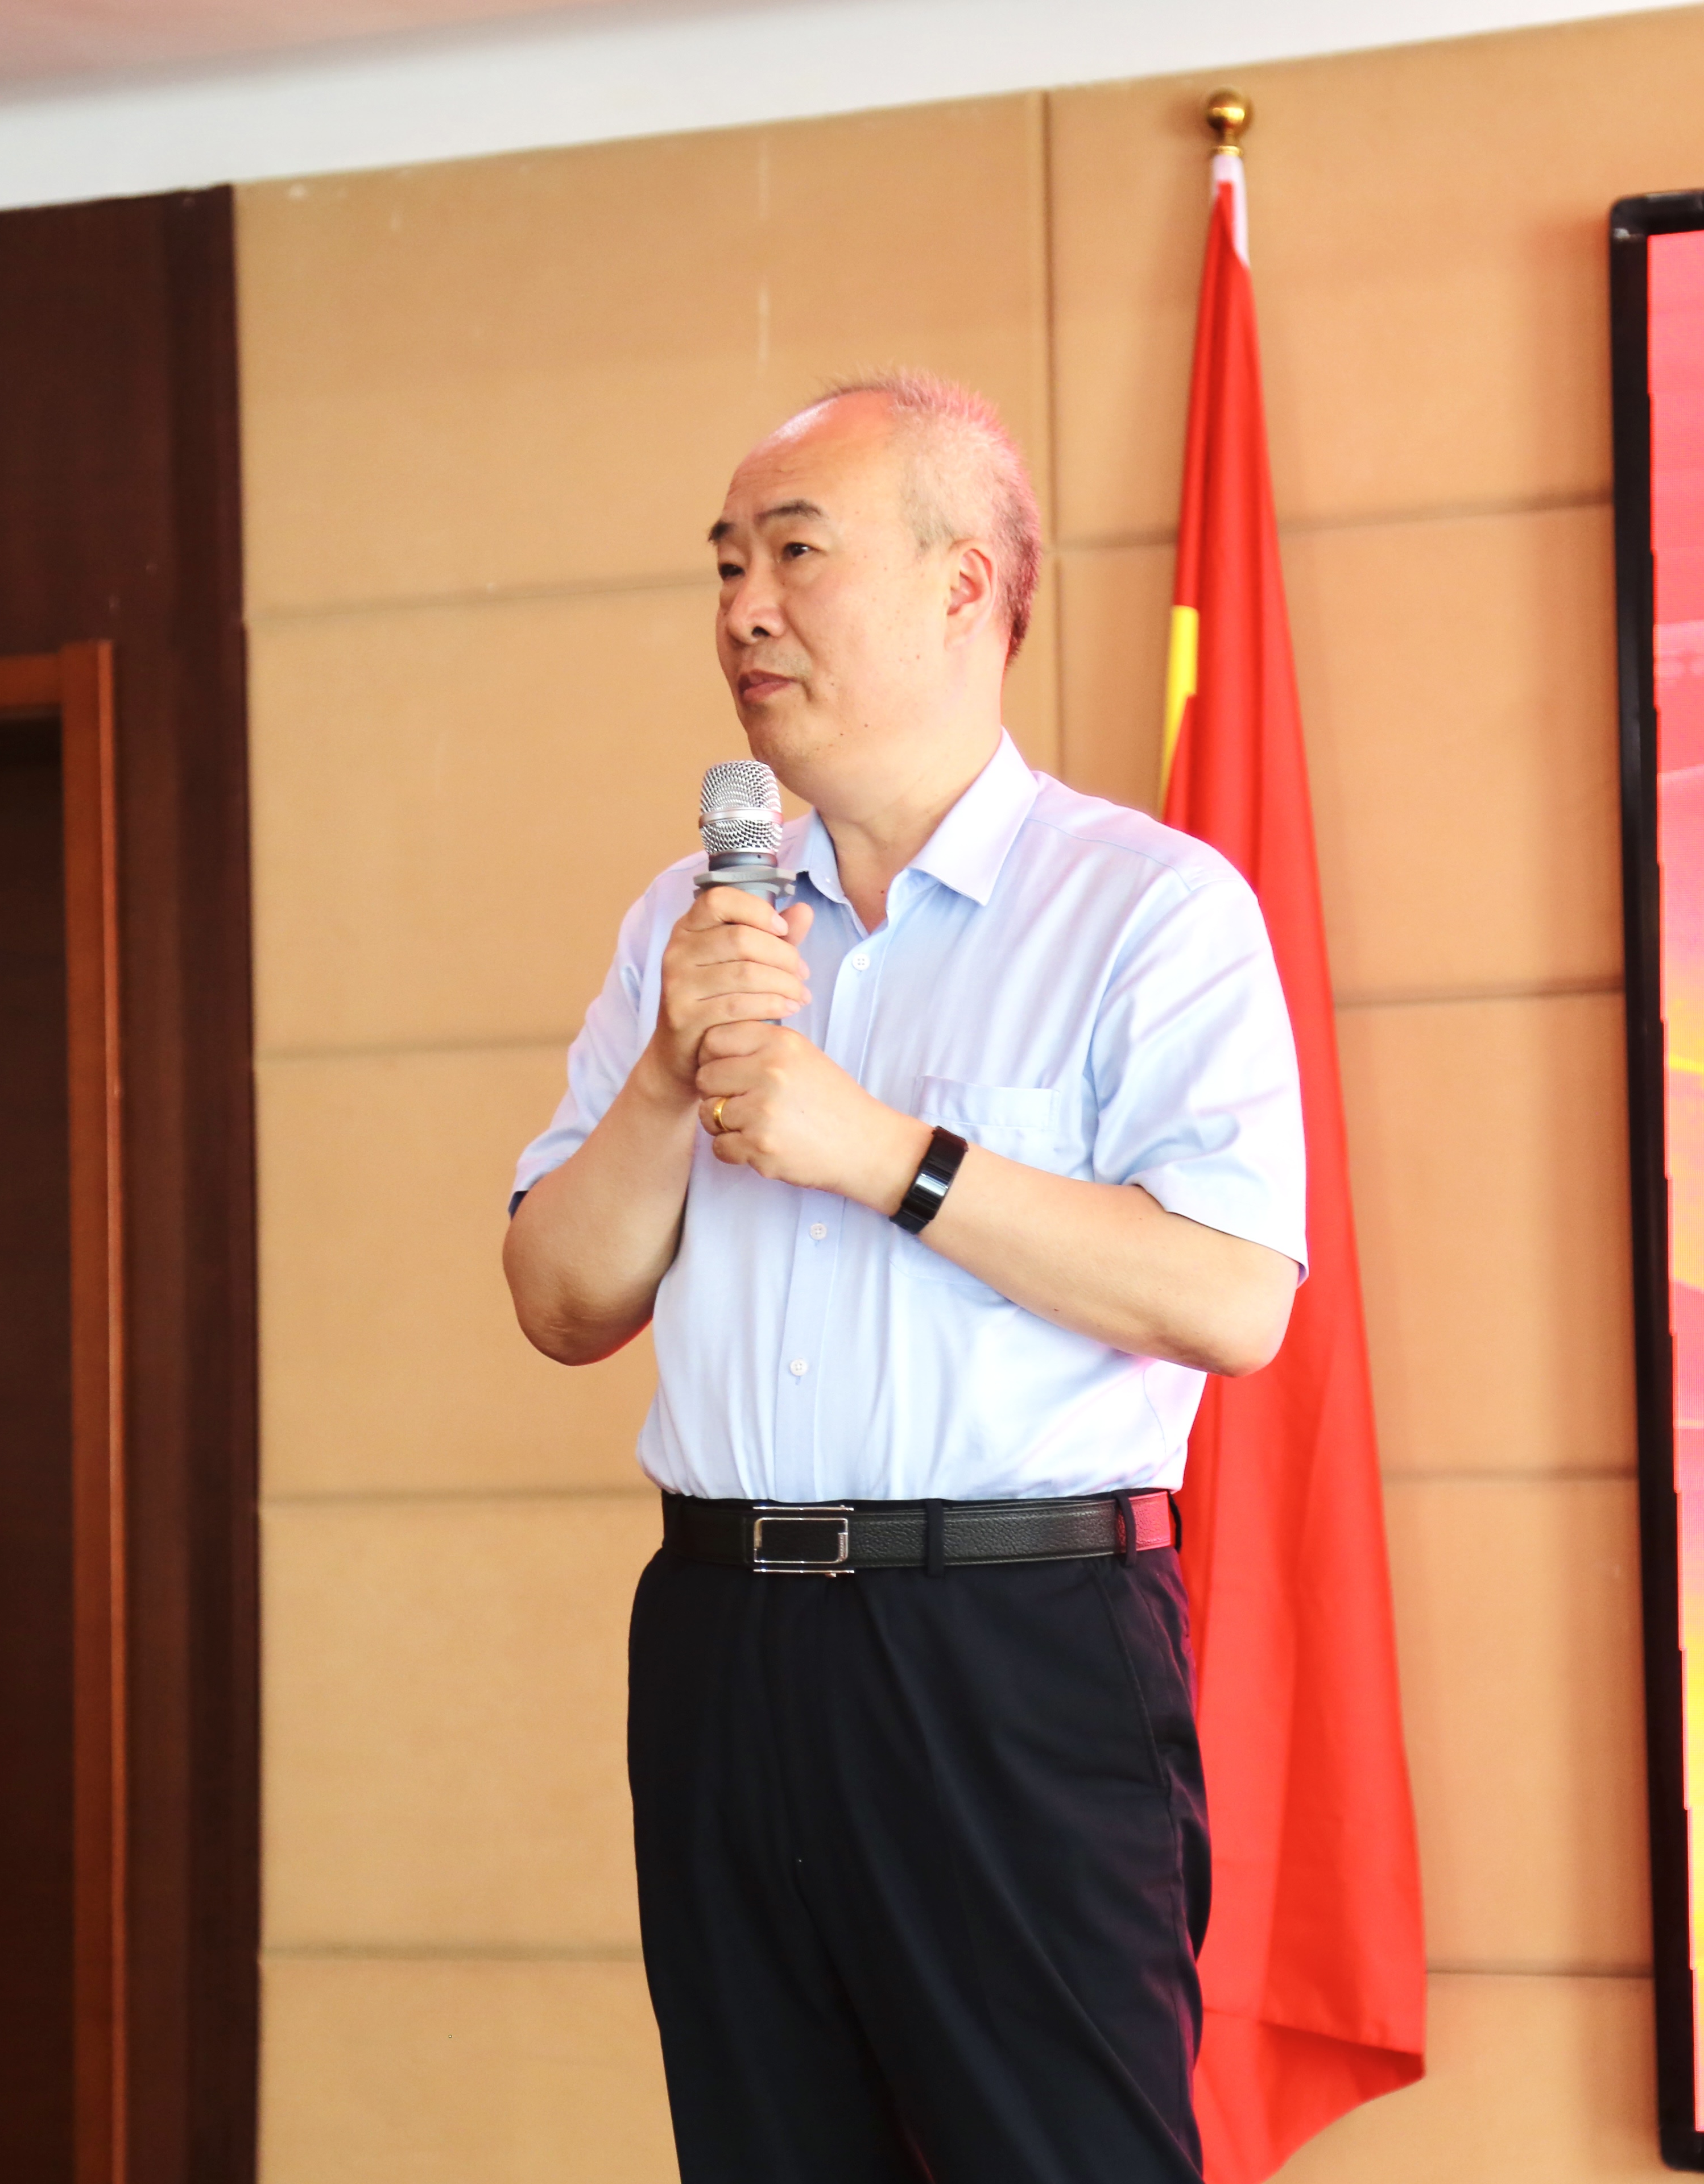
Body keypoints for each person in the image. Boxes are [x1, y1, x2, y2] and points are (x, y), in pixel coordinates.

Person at [501, 371, 1306, 2184]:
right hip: (723, 1642)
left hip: (1008, 1651)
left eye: (797, 554)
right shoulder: (686, 924)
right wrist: (667, 1076)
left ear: (965, 586)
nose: (743, 610)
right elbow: (560, 1301)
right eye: (726, 564)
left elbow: (1230, 1298)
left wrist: (883, 1153)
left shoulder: (1146, 908)